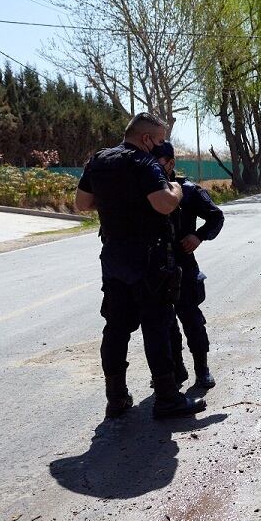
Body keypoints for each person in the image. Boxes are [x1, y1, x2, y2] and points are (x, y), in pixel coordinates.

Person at [75, 113, 206, 420]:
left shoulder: (99, 160)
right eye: (159, 140)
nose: (160, 146)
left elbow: (82, 203)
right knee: (157, 326)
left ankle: (116, 398)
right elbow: (164, 203)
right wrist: (175, 189)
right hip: (150, 260)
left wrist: (115, 202)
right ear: (147, 138)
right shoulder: (145, 164)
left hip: (114, 258)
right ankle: (167, 398)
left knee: (116, 328)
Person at [152, 142, 224, 388]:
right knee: (163, 323)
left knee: (191, 318)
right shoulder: (145, 190)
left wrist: (198, 236)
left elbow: (216, 216)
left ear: (170, 163)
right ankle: (175, 370)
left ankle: (201, 370)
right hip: (155, 265)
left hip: (183, 264)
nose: (152, 167)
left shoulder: (189, 190)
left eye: (158, 161)